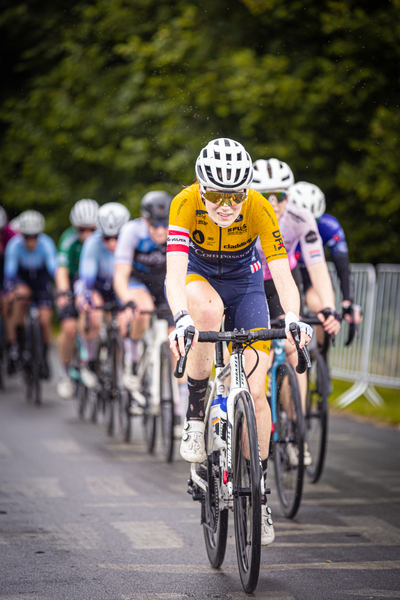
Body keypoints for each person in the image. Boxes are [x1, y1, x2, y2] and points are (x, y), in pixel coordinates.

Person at [166, 137, 313, 546]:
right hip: (200, 279)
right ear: (200, 187)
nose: (226, 205)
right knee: (207, 317)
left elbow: (281, 272)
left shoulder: (260, 207)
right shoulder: (184, 204)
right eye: (215, 194)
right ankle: (196, 415)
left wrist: (295, 318)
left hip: (246, 285)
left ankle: (260, 495)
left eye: (235, 195)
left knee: (257, 383)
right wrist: (181, 318)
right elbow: (174, 273)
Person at [251, 158, 342, 466]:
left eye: (281, 195)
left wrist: (329, 307)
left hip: (281, 283)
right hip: (249, 283)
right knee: (247, 351)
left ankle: (296, 427)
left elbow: (318, 268)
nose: (274, 203)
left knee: (294, 346)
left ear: (290, 195)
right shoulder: (244, 214)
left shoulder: (301, 217)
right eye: (266, 195)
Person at [113, 191, 187, 427]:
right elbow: (120, 275)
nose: (159, 231)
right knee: (142, 310)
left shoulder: (179, 232)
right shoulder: (131, 232)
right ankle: (133, 363)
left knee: (179, 346)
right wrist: (128, 301)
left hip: (166, 284)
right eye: (153, 225)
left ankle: (181, 410)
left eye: (164, 225)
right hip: (138, 283)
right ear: (144, 221)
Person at [289, 181, 362, 326]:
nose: (308, 225)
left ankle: (321, 347)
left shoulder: (329, 225)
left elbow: (342, 265)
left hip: (310, 275)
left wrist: (348, 301)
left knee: (322, 305)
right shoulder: (281, 224)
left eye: (314, 220)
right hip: (287, 272)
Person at [74, 202, 130, 388]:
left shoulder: (131, 242)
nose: (112, 243)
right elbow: (87, 277)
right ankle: (89, 361)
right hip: (96, 286)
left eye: (117, 237)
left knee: (124, 325)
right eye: (106, 237)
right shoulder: (92, 243)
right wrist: (86, 298)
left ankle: (121, 369)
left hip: (119, 286)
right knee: (93, 312)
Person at [4, 210, 58, 377]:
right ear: (22, 235)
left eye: (34, 236)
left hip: (40, 279)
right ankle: (15, 346)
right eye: (27, 237)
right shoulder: (14, 245)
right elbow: (10, 272)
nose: (31, 241)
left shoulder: (47, 244)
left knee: (44, 319)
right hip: (23, 279)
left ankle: (45, 355)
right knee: (19, 301)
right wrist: (12, 289)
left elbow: (54, 268)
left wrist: (59, 287)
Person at [55, 199, 99, 399]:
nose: (86, 234)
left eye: (91, 229)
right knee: (69, 329)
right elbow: (62, 270)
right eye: (82, 230)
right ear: (75, 228)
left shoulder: (102, 239)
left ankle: (93, 359)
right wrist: (64, 291)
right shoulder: (69, 239)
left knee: (96, 316)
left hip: (94, 282)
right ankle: (65, 374)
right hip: (74, 282)